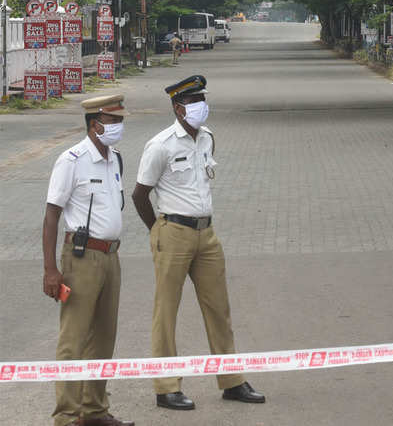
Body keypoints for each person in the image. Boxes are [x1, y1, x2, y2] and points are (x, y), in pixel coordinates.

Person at [132, 75, 264, 411]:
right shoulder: (160, 145)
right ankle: (166, 387)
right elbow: (139, 194)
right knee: (166, 312)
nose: (201, 107)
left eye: (202, 100)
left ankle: (232, 380)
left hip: (207, 234)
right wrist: (156, 231)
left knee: (219, 309)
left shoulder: (207, 138)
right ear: (178, 108)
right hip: (173, 231)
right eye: (193, 102)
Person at [42, 95, 133, 426]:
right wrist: (51, 269)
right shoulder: (72, 160)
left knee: (104, 337)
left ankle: (94, 410)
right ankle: (66, 416)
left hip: (111, 256)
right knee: (73, 339)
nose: (119, 127)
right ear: (95, 125)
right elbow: (52, 215)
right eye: (114, 122)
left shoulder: (115, 159)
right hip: (81, 259)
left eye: (120, 121)